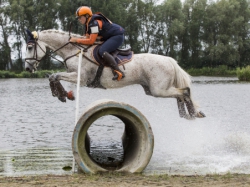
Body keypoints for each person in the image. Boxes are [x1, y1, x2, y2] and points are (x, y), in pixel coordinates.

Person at [70, 6, 125, 81]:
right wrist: (75, 39)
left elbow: (91, 41)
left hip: (117, 36)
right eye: (78, 18)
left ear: (86, 16)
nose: (79, 19)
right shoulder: (87, 24)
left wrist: (76, 40)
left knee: (102, 51)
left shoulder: (94, 24)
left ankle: (118, 71)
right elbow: (86, 38)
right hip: (109, 37)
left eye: (80, 17)